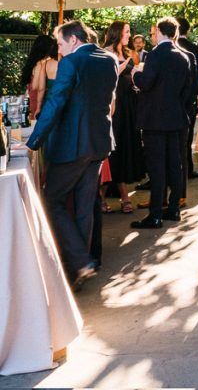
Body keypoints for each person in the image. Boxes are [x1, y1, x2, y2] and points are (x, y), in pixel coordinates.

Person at [26, 21, 118, 289]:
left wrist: (34, 142)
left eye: (61, 43)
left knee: (52, 199)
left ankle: (78, 262)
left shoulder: (72, 62)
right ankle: (77, 269)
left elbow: (56, 103)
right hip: (99, 143)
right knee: (84, 205)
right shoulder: (109, 59)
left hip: (73, 145)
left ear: (74, 40)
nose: (59, 49)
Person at [131, 17, 193, 230]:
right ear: (175, 33)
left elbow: (146, 83)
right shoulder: (184, 57)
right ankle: (174, 208)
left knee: (157, 167)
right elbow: (187, 89)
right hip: (176, 117)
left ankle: (155, 214)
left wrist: (135, 76)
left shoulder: (155, 54)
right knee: (175, 164)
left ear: (159, 31)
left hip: (155, 119)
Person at [103, 20, 145, 213]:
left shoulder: (129, 54)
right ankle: (106, 196)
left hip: (130, 107)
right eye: (127, 31)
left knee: (126, 149)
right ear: (118, 33)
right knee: (113, 152)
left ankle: (120, 194)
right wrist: (117, 71)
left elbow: (132, 77)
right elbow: (103, 82)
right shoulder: (105, 53)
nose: (129, 35)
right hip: (114, 108)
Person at [176, 17, 198, 180]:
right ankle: (187, 169)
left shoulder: (167, 45)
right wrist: (197, 95)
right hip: (190, 99)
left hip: (172, 100)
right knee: (186, 138)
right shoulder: (193, 48)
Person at [21, 33, 58, 120]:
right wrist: (46, 86)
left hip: (34, 96)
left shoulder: (33, 62)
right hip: (36, 97)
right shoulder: (39, 64)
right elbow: (35, 86)